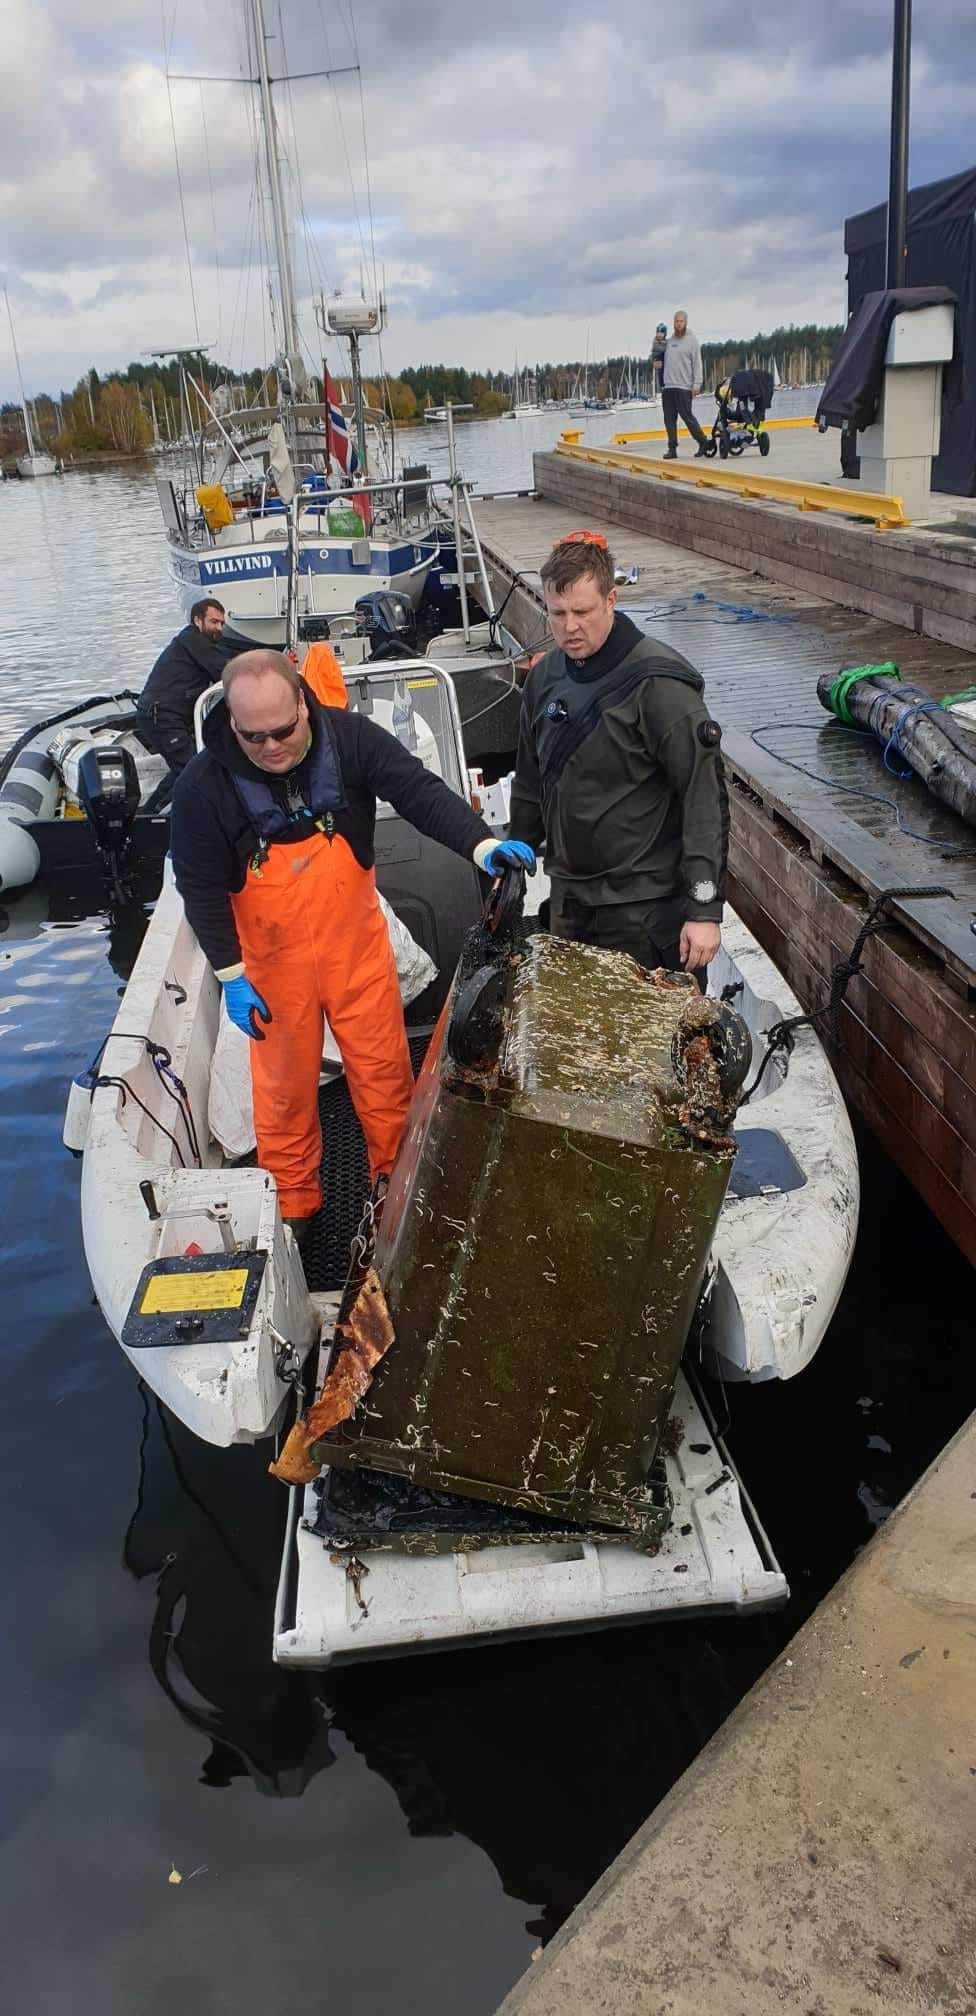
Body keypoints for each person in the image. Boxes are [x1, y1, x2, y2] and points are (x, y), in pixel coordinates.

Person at [170, 649, 532, 1240]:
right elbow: (199, 886)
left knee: (384, 1076)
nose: (271, 747)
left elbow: (419, 793)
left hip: (356, 953)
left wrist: (482, 845)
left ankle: (395, 1186)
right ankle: (295, 1203)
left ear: (302, 703)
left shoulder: (351, 740)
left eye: (282, 731)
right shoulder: (202, 787)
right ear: (232, 724)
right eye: (253, 737)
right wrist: (231, 974)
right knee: (282, 1094)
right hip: (272, 969)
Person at [508, 534, 726, 982]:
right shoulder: (543, 679)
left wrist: (704, 910)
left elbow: (703, 798)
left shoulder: (660, 685)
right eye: (557, 613)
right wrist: (515, 852)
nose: (570, 627)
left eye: (582, 612)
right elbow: (531, 783)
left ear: (611, 600)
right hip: (570, 907)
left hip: (645, 913)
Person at [137, 599, 246, 776]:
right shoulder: (194, 640)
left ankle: (161, 797)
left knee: (182, 771)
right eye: (214, 622)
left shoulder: (199, 644)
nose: (219, 628)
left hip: (164, 716)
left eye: (222, 623)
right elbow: (224, 671)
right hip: (163, 717)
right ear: (197, 620)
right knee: (194, 772)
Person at [662, 309, 709, 458]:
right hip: (668, 387)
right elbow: (660, 360)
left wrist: (697, 384)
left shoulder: (692, 341)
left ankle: (703, 441)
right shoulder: (668, 342)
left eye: (681, 321)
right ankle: (672, 449)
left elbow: (697, 364)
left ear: (686, 322)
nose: (678, 324)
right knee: (669, 420)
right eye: (676, 321)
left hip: (684, 387)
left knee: (688, 417)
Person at [650, 322, 668, 397]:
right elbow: (655, 354)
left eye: (661, 333)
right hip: (662, 371)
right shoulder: (656, 342)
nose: (659, 335)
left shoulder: (667, 342)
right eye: (658, 333)